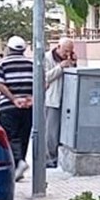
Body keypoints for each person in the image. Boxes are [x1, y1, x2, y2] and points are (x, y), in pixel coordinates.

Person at [0, 36, 34, 180]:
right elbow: (43, 82)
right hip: (28, 107)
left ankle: (18, 163)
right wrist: (32, 99)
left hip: (8, 106)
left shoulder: (2, 63)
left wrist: (13, 99)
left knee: (10, 136)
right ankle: (19, 167)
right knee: (24, 136)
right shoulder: (32, 63)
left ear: (9, 48)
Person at [44, 38, 76, 168]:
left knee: (64, 131)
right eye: (65, 51)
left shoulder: (69, 59)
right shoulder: (47, 58)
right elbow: (45, 77)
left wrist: (74, 63)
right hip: (53, 99)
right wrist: (60, 67)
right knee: (51, 132)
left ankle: (60, 158)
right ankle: (49, 159)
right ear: (58, 47)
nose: (67, 54)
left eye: (70, 51)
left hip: (67, 99)